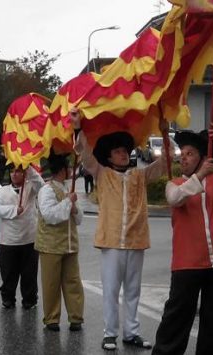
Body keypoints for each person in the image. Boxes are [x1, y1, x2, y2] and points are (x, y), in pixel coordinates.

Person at [71, 109, 168, 350]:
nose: (123, 154)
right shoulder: (102, 174)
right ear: (110, 157)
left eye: (125, 151)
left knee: (133, 290)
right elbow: (85, 155)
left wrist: (165, 133)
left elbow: (165, 164)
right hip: (111, 241)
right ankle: (110, 333)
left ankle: (131, 332)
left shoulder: (140, 176)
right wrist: (77, 127)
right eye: (118, 152)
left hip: (136, 240)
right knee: (111, 290)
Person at [152, 126, 213, 355]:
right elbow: (176, 199)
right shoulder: (175, 184)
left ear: (204, 158)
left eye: (190, 153)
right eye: (182, 153)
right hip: (188, 264)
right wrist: (200, 175)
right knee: (176, 319)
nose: (183, 158)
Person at [35, 154, 85, 332]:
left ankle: (76, 317)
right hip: (51, 245)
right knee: (51, 284)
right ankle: (52, 319)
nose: (71, 172)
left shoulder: (68, 190)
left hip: (70, 244)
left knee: (73, 282)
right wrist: (67, 203)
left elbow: (78, 219)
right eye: (69, 168)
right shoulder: (46, 190)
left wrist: (74, 206)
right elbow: (49, 216)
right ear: (63, 170)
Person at [0, 164, 44, 310]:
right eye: (12, 171)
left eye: (19, 171)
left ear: (24, 174)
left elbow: (41, 185)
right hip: (9, 240)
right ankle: (8, 298)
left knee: (29, 273)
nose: (15, 174)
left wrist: (29, 168)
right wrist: (14, 210)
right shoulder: (3, 191)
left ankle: (30, 299)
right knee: (8, 273)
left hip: (29, 238)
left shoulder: (31, 187)